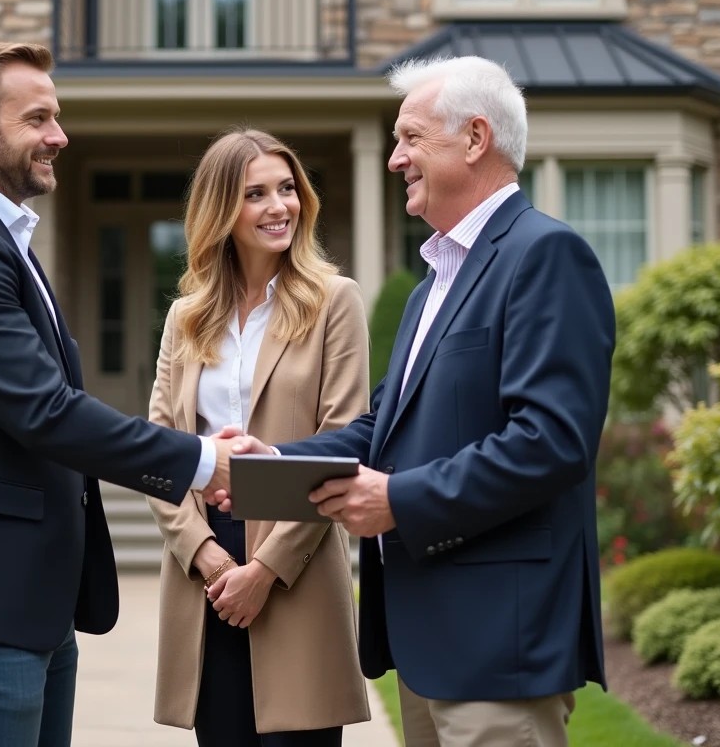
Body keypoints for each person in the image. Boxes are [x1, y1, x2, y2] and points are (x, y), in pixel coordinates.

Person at [0, 40, 238, 747]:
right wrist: (204, 462)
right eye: (38, 119)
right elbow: (45, 411)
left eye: (56, 117)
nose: (59, 136)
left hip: (23, 596)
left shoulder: (1, 241)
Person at [229, 55, 616, 747]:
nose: (394, 158)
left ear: (474, 139)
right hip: (427, 646)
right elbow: (383, 428)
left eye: (410, 138)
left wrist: (398, 502)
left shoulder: (545, 255)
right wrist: (277, 459)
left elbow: (550, 442)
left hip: (501, 647)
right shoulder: (429, 281)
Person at [146, 128, 371, 747]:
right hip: (205, 577)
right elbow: (159, 450)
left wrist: (264, 570)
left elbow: (344, 444)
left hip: (293, 562)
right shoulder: (184, 317)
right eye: (256, 194)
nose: (280, 206)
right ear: (221, 210)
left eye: (287, 189)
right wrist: (207, 555)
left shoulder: (335, 302)